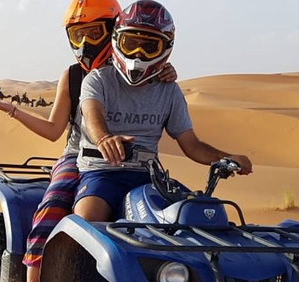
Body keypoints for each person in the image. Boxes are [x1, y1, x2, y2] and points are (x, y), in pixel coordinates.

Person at [0, 0, 177, 282]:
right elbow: (55, 129)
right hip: (79, 156)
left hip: (135, 162)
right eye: (78, 34)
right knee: (54, 202)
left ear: (113, 29)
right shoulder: (72, 76)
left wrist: (165, 72)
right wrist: (14, 110)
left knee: (170, 210)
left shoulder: (140, 68)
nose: (84, 43)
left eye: (93, 32)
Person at [74, 0, 252, 225]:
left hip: (149, 177)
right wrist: (104, 138)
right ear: (117, 40)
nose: (138, 54)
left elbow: (191, 144)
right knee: (87, 220)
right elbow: (92, 114)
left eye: (149, 47)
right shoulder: (98, 80)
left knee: (202, 216)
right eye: (131, 44)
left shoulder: (169, 91)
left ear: (165, 48)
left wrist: (225, 157)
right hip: (101, 172)